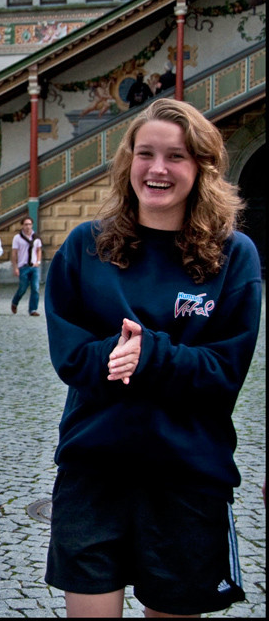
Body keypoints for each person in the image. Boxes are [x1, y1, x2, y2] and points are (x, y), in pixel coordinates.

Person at [44, 98, 262, 618]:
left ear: (203, 168)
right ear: (128, 162)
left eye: (177, 156)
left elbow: (224, 373)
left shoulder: (235, 256)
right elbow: (71, 356)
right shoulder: (85, 247)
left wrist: (149, 356)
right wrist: (118, 356)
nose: (158, 169)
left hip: (187, 475)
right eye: (146, 154)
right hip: (94, 470)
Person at [10, 216, 42, 316]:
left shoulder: (36, 237)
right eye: (25, 224)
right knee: (23, 288)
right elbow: (14, 253)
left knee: (35, 288)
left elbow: (39, 250)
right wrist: (15, 267)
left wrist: (38, 261)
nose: (28, 226)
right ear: (22, 226)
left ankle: (33, 309)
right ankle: (15, 302)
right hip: (23, 266)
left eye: (29, 224)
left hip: (34, 267)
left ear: (32, 225)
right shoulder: (17, 238)